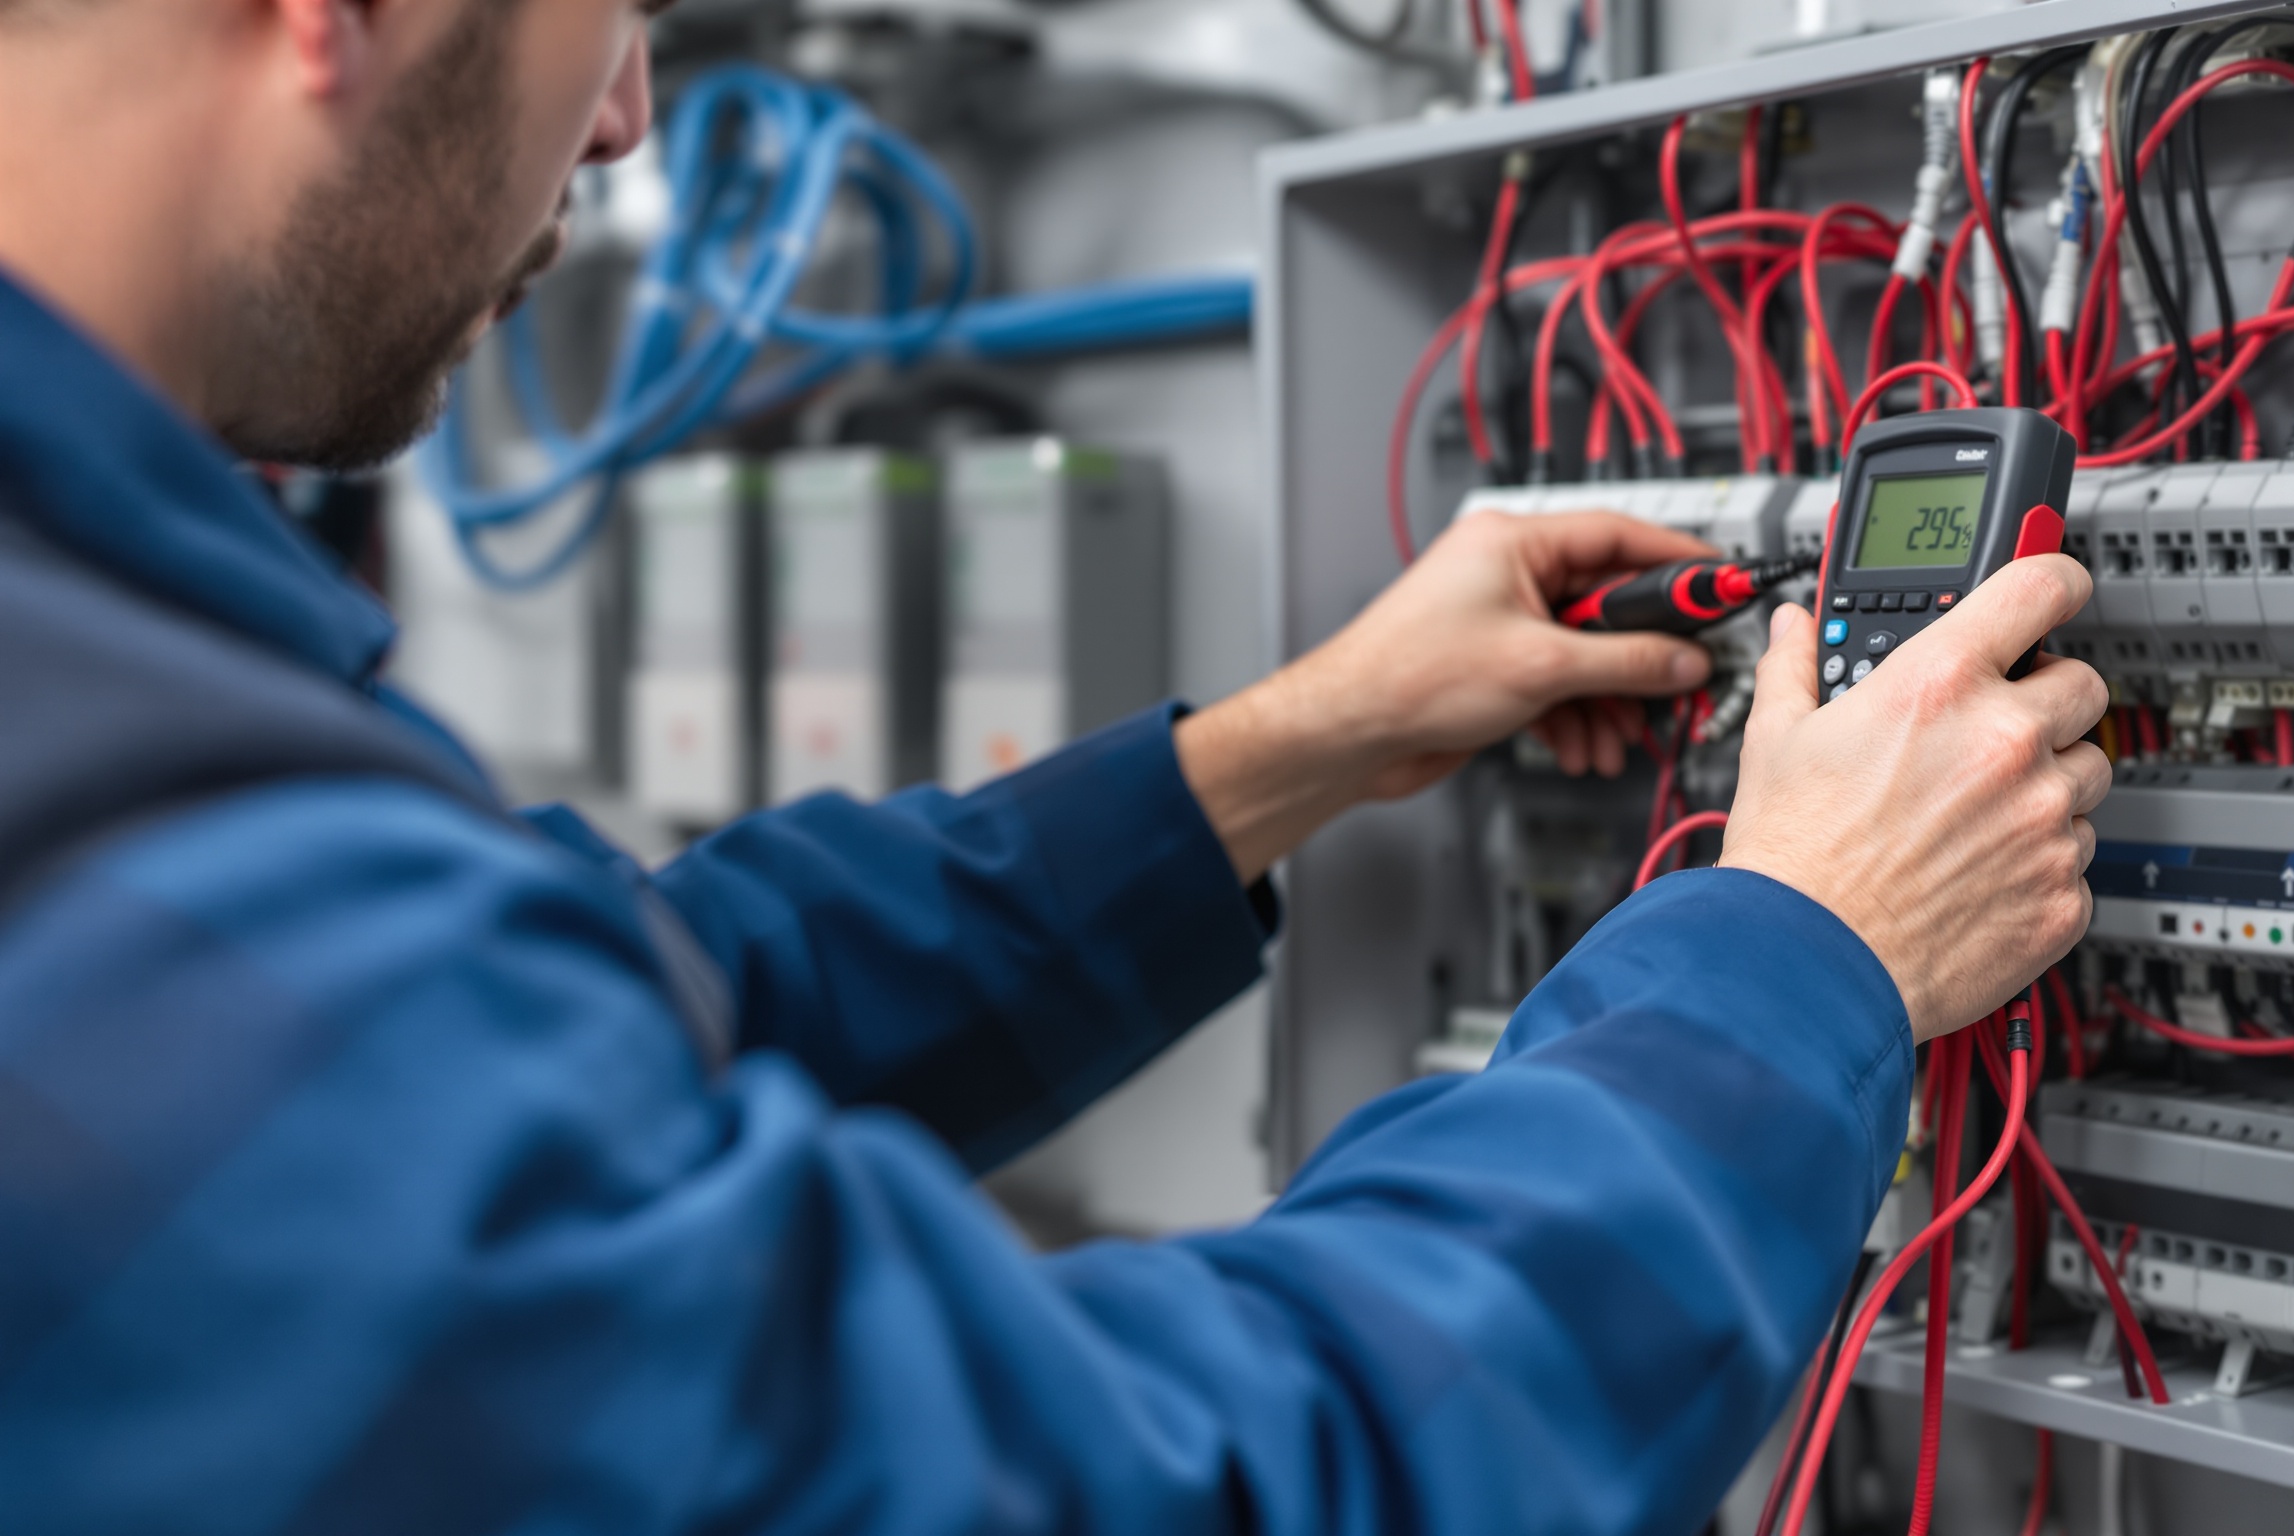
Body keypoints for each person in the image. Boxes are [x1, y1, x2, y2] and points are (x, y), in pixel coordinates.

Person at [0, 0, 2110, 1529]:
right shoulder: (136, 856)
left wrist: (1292, 747)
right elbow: (1179, 1492)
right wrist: (1791, 956)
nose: (634, 115)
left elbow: (616, 996)